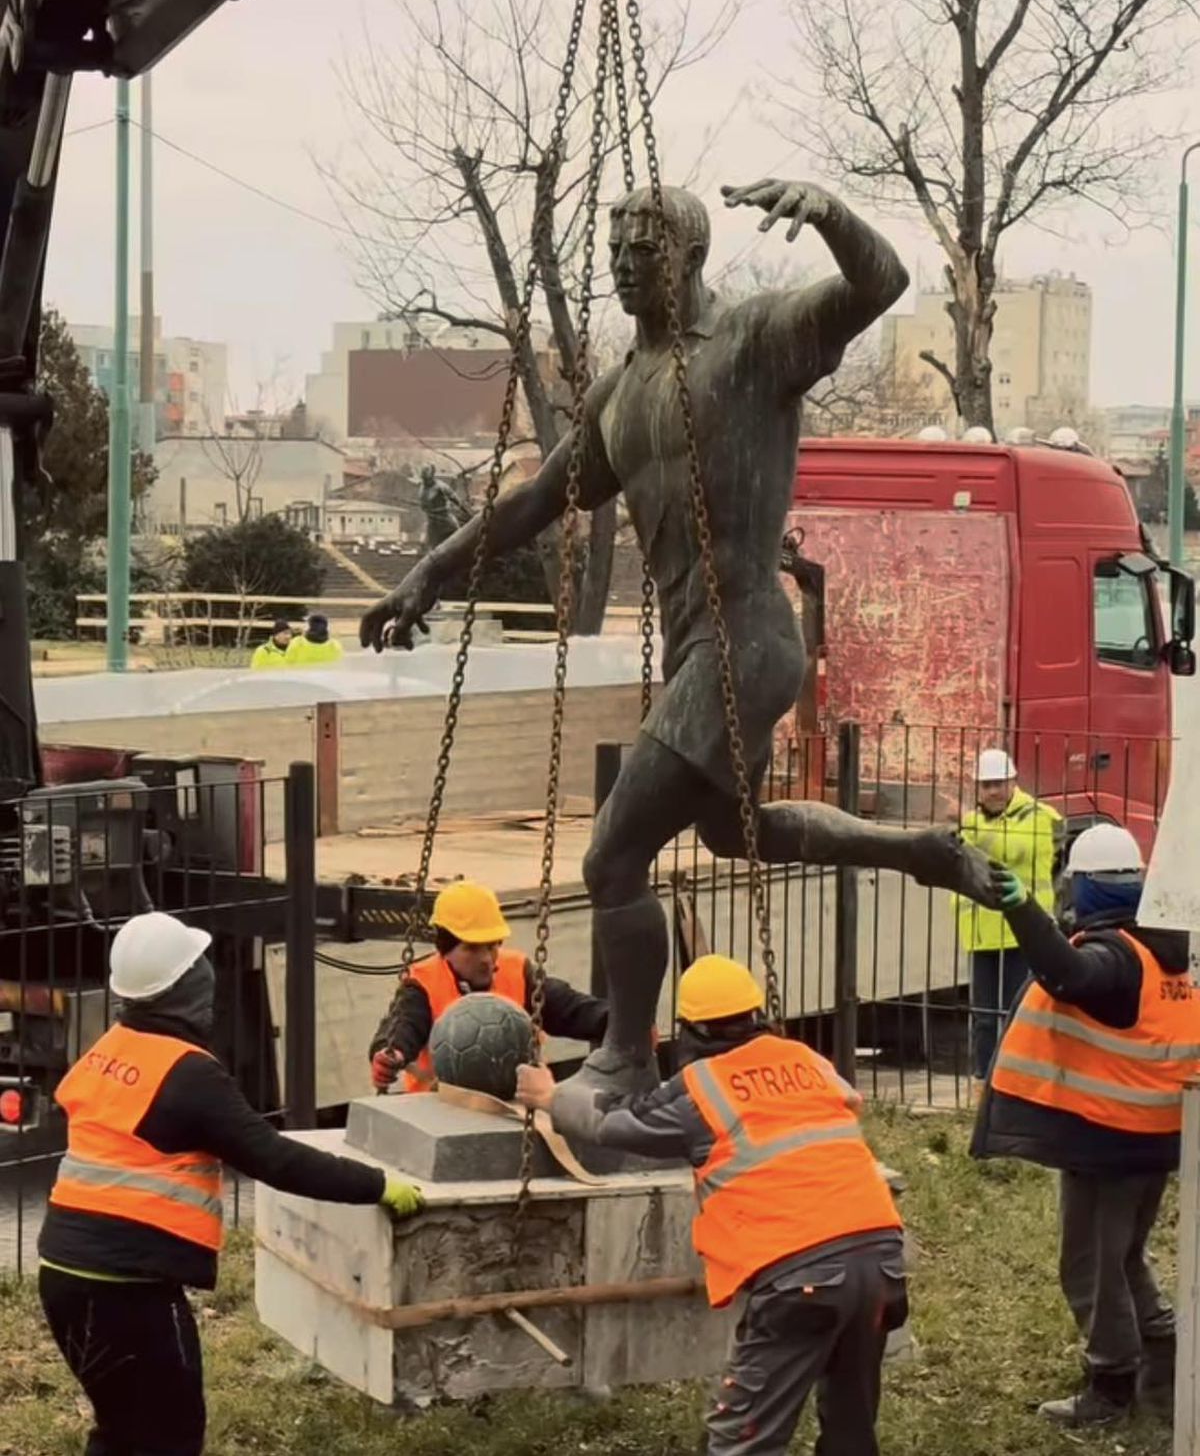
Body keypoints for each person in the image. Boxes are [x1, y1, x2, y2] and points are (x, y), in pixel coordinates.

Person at [361, 179, 995, 1099]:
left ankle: (625, 1052)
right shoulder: (621, 391)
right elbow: (536, 501)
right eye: (615, 251)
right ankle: (921, 851)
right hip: (702, 650)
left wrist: (827, 213)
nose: (624, 266)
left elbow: (881, 282)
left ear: (690, 257)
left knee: (612, 858)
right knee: (736, 832)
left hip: (746, 641)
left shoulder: (754, 341)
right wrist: (431, 568)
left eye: (644, 251)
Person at [38, 910, 423, 1456]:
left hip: (64, 1276)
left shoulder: (110, 1048)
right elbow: (275, 1159)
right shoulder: (188, 1073)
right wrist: (377, 1185)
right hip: (127, 1291)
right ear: (185, 986)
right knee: (170, 1438)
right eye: (198, 966)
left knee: (122, 1431)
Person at [516, 954, 908, 1456]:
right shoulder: (807, 1060)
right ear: (755, 1014)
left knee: (742, 1439)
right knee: (852, 1426)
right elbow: (843, 1103)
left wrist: (552, 1098)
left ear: (690, 1029)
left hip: (801, 1279)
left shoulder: (703, 1089)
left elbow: (613, 1125)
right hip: (881, 1260)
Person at [973, 822, 1200, 1426]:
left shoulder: (1116, 958)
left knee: (1090, 1266)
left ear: (1085, 887)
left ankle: (1111, 1388)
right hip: (1157, 1135)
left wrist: (1023, 912)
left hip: (1110, 1141)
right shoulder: (1166, 948)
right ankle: (1165, 1362)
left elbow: (1069, 974)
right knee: (1124, 1257)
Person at [368, 880, 609, 1092]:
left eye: (492, 945)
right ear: (445, 948)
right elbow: (403, 1027)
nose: (486, 959)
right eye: (472, 948)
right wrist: (391, 1055)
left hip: (514, 1107)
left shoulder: (518, 971)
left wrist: (622, 1024)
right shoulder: (423, 983)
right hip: (438, 1110)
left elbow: (574, 1010)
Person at [955, 748, 1062, 1082]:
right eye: (985, 785)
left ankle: (1019, 1081)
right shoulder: (975, 821)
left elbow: (1011, 849)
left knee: (1019, 1013)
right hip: (981, 934)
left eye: (998, 784)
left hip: (1023, 932)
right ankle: (984, 1082)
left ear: (1013, 782)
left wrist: (966, 824)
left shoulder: (1037, 816)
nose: (992, 791)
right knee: (984, 1017)